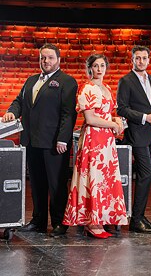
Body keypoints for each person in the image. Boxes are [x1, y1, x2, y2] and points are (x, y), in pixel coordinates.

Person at [1, 43, 78, 237]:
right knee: (37, 184)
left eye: (50, 57)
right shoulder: (31, 80)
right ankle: (38, 221)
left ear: (58, 60)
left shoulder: (67, 81)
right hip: (31, 141)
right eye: (43, 57)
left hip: (54, 143)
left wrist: (63, 139)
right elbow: (19, 101)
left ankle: (60, 222)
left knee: (56, 185)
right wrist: (12, 112)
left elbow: (68, 114)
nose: (46, 61)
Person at [62, 54, 128, 238]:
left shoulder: (106, 87)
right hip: (93, 138)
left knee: (105, 179)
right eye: (96, 66)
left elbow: (107, 112)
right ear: (90, 68)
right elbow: (90, 118)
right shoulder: (87, 88)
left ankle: (100, 218)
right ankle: (91, 222)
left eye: (102, 65)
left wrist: (115, 119)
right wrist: (114, 124)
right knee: (94, 178)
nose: (99, 69)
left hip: (106, 140)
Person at [117, 45, 151, 234]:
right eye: (138, 58)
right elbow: (122, 108)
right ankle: (136, 220)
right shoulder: (126, 81)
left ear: (149, 60)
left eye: (144, 58)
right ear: (132, 60)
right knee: (146, 174)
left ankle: (140, 216)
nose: (141, 61)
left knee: (147, 175)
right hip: (136, 134)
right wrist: (145, 117)